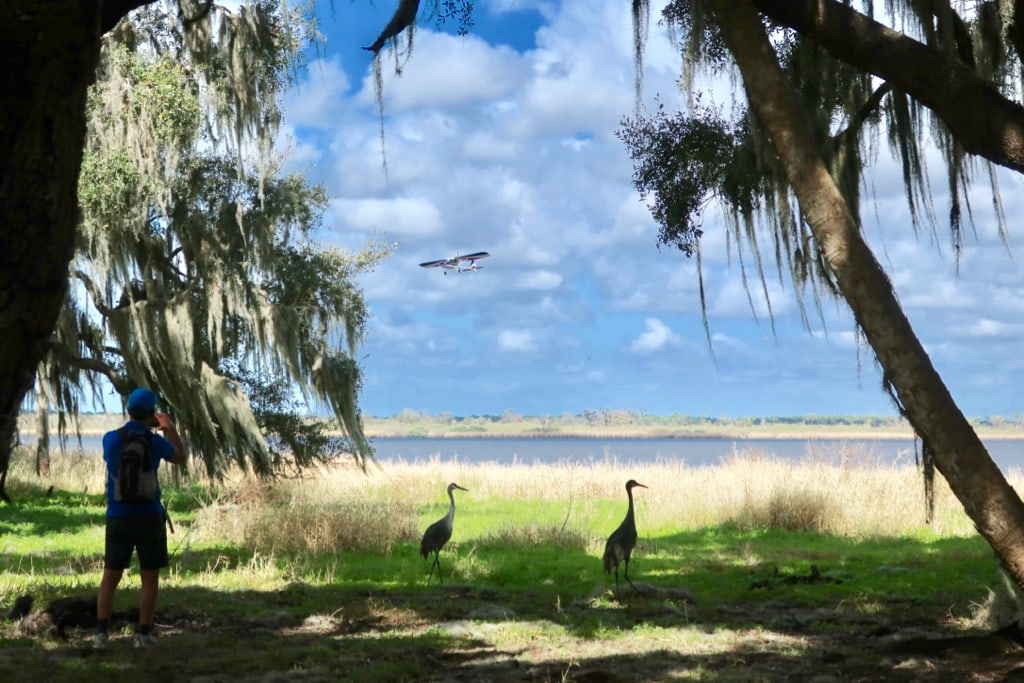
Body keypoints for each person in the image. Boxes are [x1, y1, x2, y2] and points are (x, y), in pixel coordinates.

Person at [93, 387, 186, 650]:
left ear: (129, 410)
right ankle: (143, 635)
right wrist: (169, 428)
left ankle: (101, 635)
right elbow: (179, 457)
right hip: (149, 515)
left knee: (110, 576)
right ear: (151, 415)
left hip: (118, 516)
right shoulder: (154, 441)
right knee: (149, 577)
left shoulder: (110, 439)